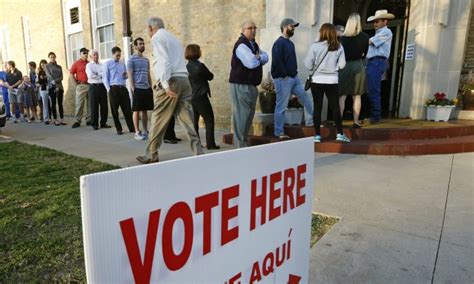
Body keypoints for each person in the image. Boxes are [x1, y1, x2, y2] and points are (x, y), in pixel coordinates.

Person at [136, 17, 204, 164]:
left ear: (150, 28)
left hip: (171, 81)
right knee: (187, 121)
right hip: (184, 81)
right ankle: (199, 152)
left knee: (158, 119)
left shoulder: (157, 38)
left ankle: (151, 155)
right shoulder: (174, 39)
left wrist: (165, 86)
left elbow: (164, 61)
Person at [304, 23, 350, 143]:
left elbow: (308, 64)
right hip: (332, 80)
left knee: (317, 107)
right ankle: (339, 133)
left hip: (317, 80)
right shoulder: (339, 47)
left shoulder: (315, 46)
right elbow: (342, 64)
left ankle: (317, 135)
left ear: (322, 32)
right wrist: (334, 67)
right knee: (335, 107)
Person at [271, 18, 314, 138]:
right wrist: (285, 76)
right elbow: (277, 62)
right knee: (281, 106)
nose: (293, 28)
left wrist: (293, 75)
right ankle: (279, 132)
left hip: (294, 78)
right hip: (283, 79)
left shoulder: (290, 43)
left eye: (294, 27)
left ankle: (312, 121)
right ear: (284, 27)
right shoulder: (278, 43)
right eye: (292, 26)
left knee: (307, 95)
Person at [229, 20, 269, 147]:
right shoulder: (241, 45)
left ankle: (243, 142)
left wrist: (258, 57)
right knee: (241, 116)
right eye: (249, 28)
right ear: (243, 30)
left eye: (254, 28)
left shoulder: (254, 45)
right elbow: (250, 63)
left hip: (251, 86)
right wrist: (258, 58)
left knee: (248, 116)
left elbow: (266, 57)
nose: (253, 30)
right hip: (241, 85)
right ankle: (239, 146)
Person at [185, 44, 220, 150]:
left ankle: (196, 144)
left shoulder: (186, 67)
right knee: (209, 119)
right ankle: (210, 144)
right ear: (196, 52)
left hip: (191, 96)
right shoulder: (200, 66)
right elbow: (210, 76)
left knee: (194, 121)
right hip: (201, 95)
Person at [339, 13, 369, 128]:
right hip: (358, 65)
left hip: (344, 66)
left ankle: (339, 121)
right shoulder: (365, 37)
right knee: (357, 96)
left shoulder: (342, 39)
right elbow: (364, 54)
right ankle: (356, 122)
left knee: (342, 96)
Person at [366, 9, 394, 124]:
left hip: (378, 61)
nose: (375, 23)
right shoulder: (379, 33)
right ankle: (373, 115)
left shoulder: (386, 32)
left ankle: (375, 116)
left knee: (374, 90)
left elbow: (369, 42)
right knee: (371, 89)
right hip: (373, 62)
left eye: (377, 21)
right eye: (374, 22)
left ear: (385, 21)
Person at [103, 46, 134, 135]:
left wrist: (127, 75)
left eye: (119, 55)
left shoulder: (122, 64)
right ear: (112, 54)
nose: (118, 57)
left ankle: (131, 128)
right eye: (117, 55)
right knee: (114, 110)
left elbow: (124, 77)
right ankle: (119, 129)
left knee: (127, 109)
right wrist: (109, 90)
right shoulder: (107, 64)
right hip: (113, 88)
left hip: (123, 88)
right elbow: (105, 78)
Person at [127, 37, 153, 140]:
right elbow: (130, 74)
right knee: (136, 111)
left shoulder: (146, 60)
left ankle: (145, 131)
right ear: (135, 46)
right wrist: (133, 88)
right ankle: (137, 132)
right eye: (140, 44)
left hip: (146, 88)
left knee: (145, 111)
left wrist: (150, 86)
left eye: (143, 43)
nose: (142, 45)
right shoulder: (131, 59)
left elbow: (148, 74)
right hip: (137, 88)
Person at [86, 50, 110, 130]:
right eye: (94, 55)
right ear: (91, 57)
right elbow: (90, 75)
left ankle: (103, 123)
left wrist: (98, 74)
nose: (96, 56)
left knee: (104, 105)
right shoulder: (89, 65)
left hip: (102, 86)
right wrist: (100, 75)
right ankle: (94, 124)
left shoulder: (102, 65)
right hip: (94, 87)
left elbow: (105, 75)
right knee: (94, 106)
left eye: (97, 54)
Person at [71, 47, 91, 128]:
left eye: (87, 53)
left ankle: (89, 120)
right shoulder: (76, 63)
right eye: (84, 53)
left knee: (90, 104)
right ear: (80, 54)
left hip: (90, 85)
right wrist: (76, 85)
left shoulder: (89, 63)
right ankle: (77, 121)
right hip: (81, 85)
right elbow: (72, 73)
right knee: (79, 104)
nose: (86, 54)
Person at [45, 52, 66, 126]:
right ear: (49, 58)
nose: (53, 58)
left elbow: (61, 77)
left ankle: (62, 118)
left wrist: (56, 81)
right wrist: (53, 82)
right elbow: (48, 75)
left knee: (60, 103)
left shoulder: (59, 67)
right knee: (53, 103)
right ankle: (55, 119)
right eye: (51, 57)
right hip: (52, 86)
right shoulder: (47, 66)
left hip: (59, 86)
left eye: (54, 57)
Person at [37, 59, 50, 124]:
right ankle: (46, 119)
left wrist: (44, 78)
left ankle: (53, 117)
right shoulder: (40, 72)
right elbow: (40, 82)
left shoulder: (49, 71)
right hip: (43, 89)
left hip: (50, 88)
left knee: (51, 103)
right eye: (41, 65)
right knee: (45, 104)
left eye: (44, 64)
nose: (43, 66)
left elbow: (50, 79)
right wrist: (44, 78)